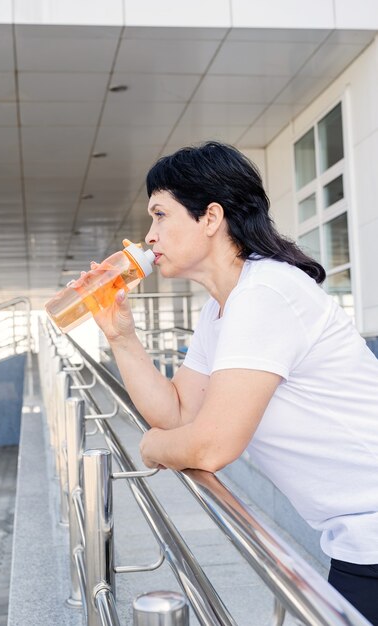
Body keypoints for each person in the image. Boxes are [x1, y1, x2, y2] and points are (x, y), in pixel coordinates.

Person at [93, 141, 378, 624]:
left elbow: (209, 447)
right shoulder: (222, 307)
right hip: (357, 539)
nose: (150, 235)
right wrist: (122, 337)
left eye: (160, 215)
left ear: (210, 217)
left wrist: (153, 446)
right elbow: (181, 412)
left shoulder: (266, 292)